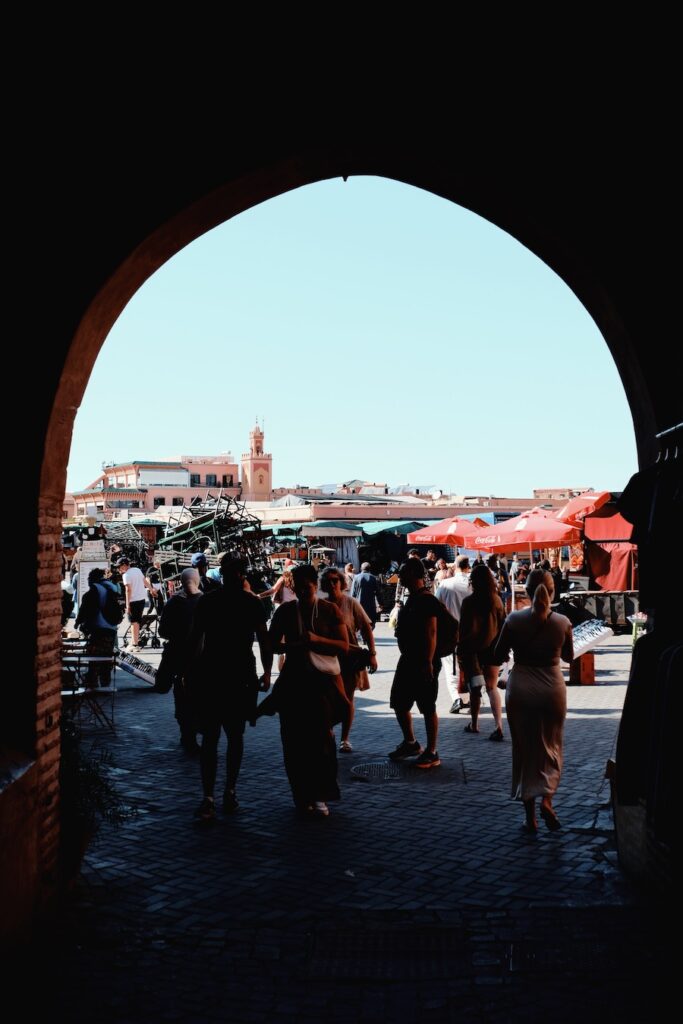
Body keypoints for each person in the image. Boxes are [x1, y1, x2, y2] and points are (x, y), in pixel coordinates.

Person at [188, 556, 272, 823]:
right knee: (235, 737)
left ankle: (210, 797)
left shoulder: (208, 601)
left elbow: (195, 640)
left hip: (212, 674)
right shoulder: (252, 603)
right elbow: (264, 640)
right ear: (241, 574)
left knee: (211, 739)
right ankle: (228, 791)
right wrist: (267, 672)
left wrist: (189, 672)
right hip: (240, 676)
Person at [264, 563, 349, 817]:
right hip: (294, 685)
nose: (303, 591)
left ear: (315, 585)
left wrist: (315, 641)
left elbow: (343, 646)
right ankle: (302, 795)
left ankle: (320, 795)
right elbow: (272, 645)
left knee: (320, 742)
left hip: (319, 687)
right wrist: (291, 648)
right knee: (294, 744)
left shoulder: (329, 610)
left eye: (307, 587)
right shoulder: (285, 613)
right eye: (298, 587)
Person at [494, 568, 574, 834]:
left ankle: (530, 818)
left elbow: (498, 655)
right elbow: (570, 658)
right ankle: (548, 800)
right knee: (551, 746)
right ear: (553, 592)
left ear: (527, 591)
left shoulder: (514, 620)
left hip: (522, 687)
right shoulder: (562, 622)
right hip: (552, 689)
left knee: (525, 750)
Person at [388, 558, 442, 769]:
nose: (400, 576)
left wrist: (428, 661)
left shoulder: (427, 599)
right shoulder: (412, 598)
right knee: (399, 702)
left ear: (413, 573)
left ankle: (432, 751)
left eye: (402, 571)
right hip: (409, 659)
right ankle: (411, 743)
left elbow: (431, 632)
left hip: (423, 661)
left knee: (427, 706)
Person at [319, 565, 377, 753]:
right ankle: (328, 731)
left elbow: (367, 628)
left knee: (347, 698)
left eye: (335, 580)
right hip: (327, 658)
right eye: (328, 581)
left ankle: (344, 738)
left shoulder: (351, 603)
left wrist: (373, 654)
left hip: (349, 658)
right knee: (327, 697)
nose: (332, 584)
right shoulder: (320, 605)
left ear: (342, 583)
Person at [458, 563, 506, 740]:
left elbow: (463, 630)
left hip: (473, 653)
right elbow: (503, 625)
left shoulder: (468, 602)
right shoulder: (497, 600)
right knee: (492, 688)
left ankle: (475, 724)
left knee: (475, 689)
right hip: (493, 650)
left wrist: (460, 650)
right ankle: (498, 725)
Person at [158, 568, 203, 754]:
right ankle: (199, 732)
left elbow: (163, 632)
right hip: (202, 661)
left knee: (183, 700)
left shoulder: (174, 603)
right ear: (197, 580)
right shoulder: (207, 601)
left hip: (180, 661)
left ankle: (188, 735)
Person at [435, 555, 472, 713]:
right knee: (471, 667)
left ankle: (458, 698)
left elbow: (436, 607)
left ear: (455, 567)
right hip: (471, 633)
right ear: (467, 566)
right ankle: (470, 697)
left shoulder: (445, 584)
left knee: (451, 668)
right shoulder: (474, 584)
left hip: (450, 633)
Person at [74, 568, 119, 687]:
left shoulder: (95, 590)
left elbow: (86, 609)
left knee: (94, 658)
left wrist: (78, 623)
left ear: (92, 578)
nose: (88, 580)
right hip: (112, 627)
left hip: (99, 628)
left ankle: (92, 684)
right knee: (106, 658)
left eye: (89, 578)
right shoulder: (111, 587)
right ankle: (105, 684)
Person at [118, 557, 147, 651]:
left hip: (133, 600)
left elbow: (128, 590)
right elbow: (144, 581)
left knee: (133, 622)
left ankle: (135, 644)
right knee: (137, 621)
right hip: (142, 598)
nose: (119, 569)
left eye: (120, 567)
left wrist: (127, 604)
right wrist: (151, 590)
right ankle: (133, 641)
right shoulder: (137, 570)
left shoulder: (126, 575)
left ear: (124, 565)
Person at [351, 562, 382, 628]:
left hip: (359, 605)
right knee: (371, 623)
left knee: (359, 623)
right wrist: (380, 603)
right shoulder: (373, 578)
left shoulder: (356, 578)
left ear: (361, 568)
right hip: (370, 605)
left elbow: (353, 593)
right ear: (369, 569)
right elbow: (378, 593)